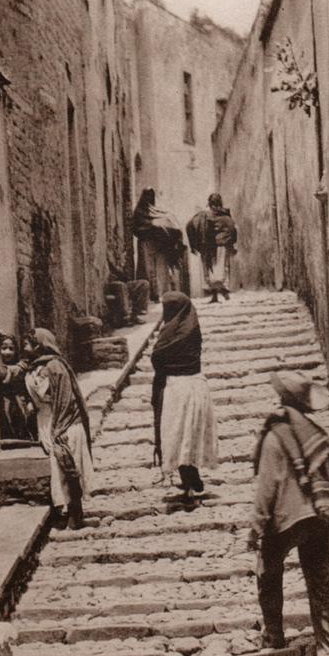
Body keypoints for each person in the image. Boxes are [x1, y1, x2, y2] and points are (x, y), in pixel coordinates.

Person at [247, 372, 329, 656]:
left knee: (267, 570)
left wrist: (255, 527)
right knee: (320, 584)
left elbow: (268, 486)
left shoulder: (275, 433)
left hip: (288, 519)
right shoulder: (316, 431)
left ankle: (274, 636)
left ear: (282, 399)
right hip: (320, 516)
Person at [150, 292, 219, 500]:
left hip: (176, 388)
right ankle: (191, 477)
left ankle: (189, 480)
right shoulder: (192, 327)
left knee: (176, 434)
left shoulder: (169, 331)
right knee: (188, 434)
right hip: (196, 384)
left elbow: (157, 357)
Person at [23, 329, 94, 530]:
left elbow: (62, 397)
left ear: (38, 345)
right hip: (46, 421)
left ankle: (75, 513)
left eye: (28, 344)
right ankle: (64, 511)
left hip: (63, 420)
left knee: (67, 464)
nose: (24, 348)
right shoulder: (36, 367)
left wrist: (60, 425)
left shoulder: (53, 367)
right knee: (58, 467)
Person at [132, 187, 186, 302]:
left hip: (158, 244)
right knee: (148, 269)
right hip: (146, 244)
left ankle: (160, 294)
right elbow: (136, 227)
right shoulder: (140, 211)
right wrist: (153, 227)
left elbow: (171, 225)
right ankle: (151, 295)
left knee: (159, 270)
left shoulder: (158, 211)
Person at [186, 193, 238, 302]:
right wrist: (231, 244)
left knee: (211, 271)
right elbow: (233, 230)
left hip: (211, 247)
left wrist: (196, 244)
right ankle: (220, 292)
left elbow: (190, 226)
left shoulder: (204, 216)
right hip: (219, 247)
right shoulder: (225, 217)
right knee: (219, 270)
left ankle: (218, 293)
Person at [0, 331, 32, 441]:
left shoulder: (20, 367)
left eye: (11, 348)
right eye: (3, 348)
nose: (7, 352)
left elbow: (3, 374)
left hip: (18, 406)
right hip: (2, 407)